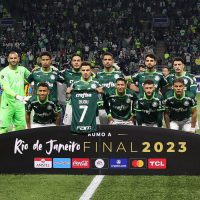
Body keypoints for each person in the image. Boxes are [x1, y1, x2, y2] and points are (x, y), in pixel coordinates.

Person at [66, 61, 103, 133]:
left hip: (94, 115)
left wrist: (101, 93)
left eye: (87, 70)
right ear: (80, 71)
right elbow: (68, 101)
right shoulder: (75, 84)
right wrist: (67, 94)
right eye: (83, 70)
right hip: (78, 116)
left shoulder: (97, 83)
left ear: (90, 71)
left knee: (96, 134)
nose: (85, 72)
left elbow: (100, 101)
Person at [0, 51, 30, 133]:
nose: (13, 60)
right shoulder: (3, 72)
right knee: (3, 128)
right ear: (8, 60)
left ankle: (16, 145)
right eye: (11, 58)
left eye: (15, 58)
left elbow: (31, 78)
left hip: (20, 104)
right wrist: (17, 96)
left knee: (20, 127)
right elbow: (6, 88)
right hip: (7, 103)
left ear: (18, 59)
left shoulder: (23, 70)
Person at [96, 52, 124, 124]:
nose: (107, 61)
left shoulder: (119, 74)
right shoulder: (98, 75)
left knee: (115, 133)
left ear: (113, 61)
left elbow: (127, 87)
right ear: (102, 61)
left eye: (109, 59)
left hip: (116, 108)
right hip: (101, 108)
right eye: (105, 59)